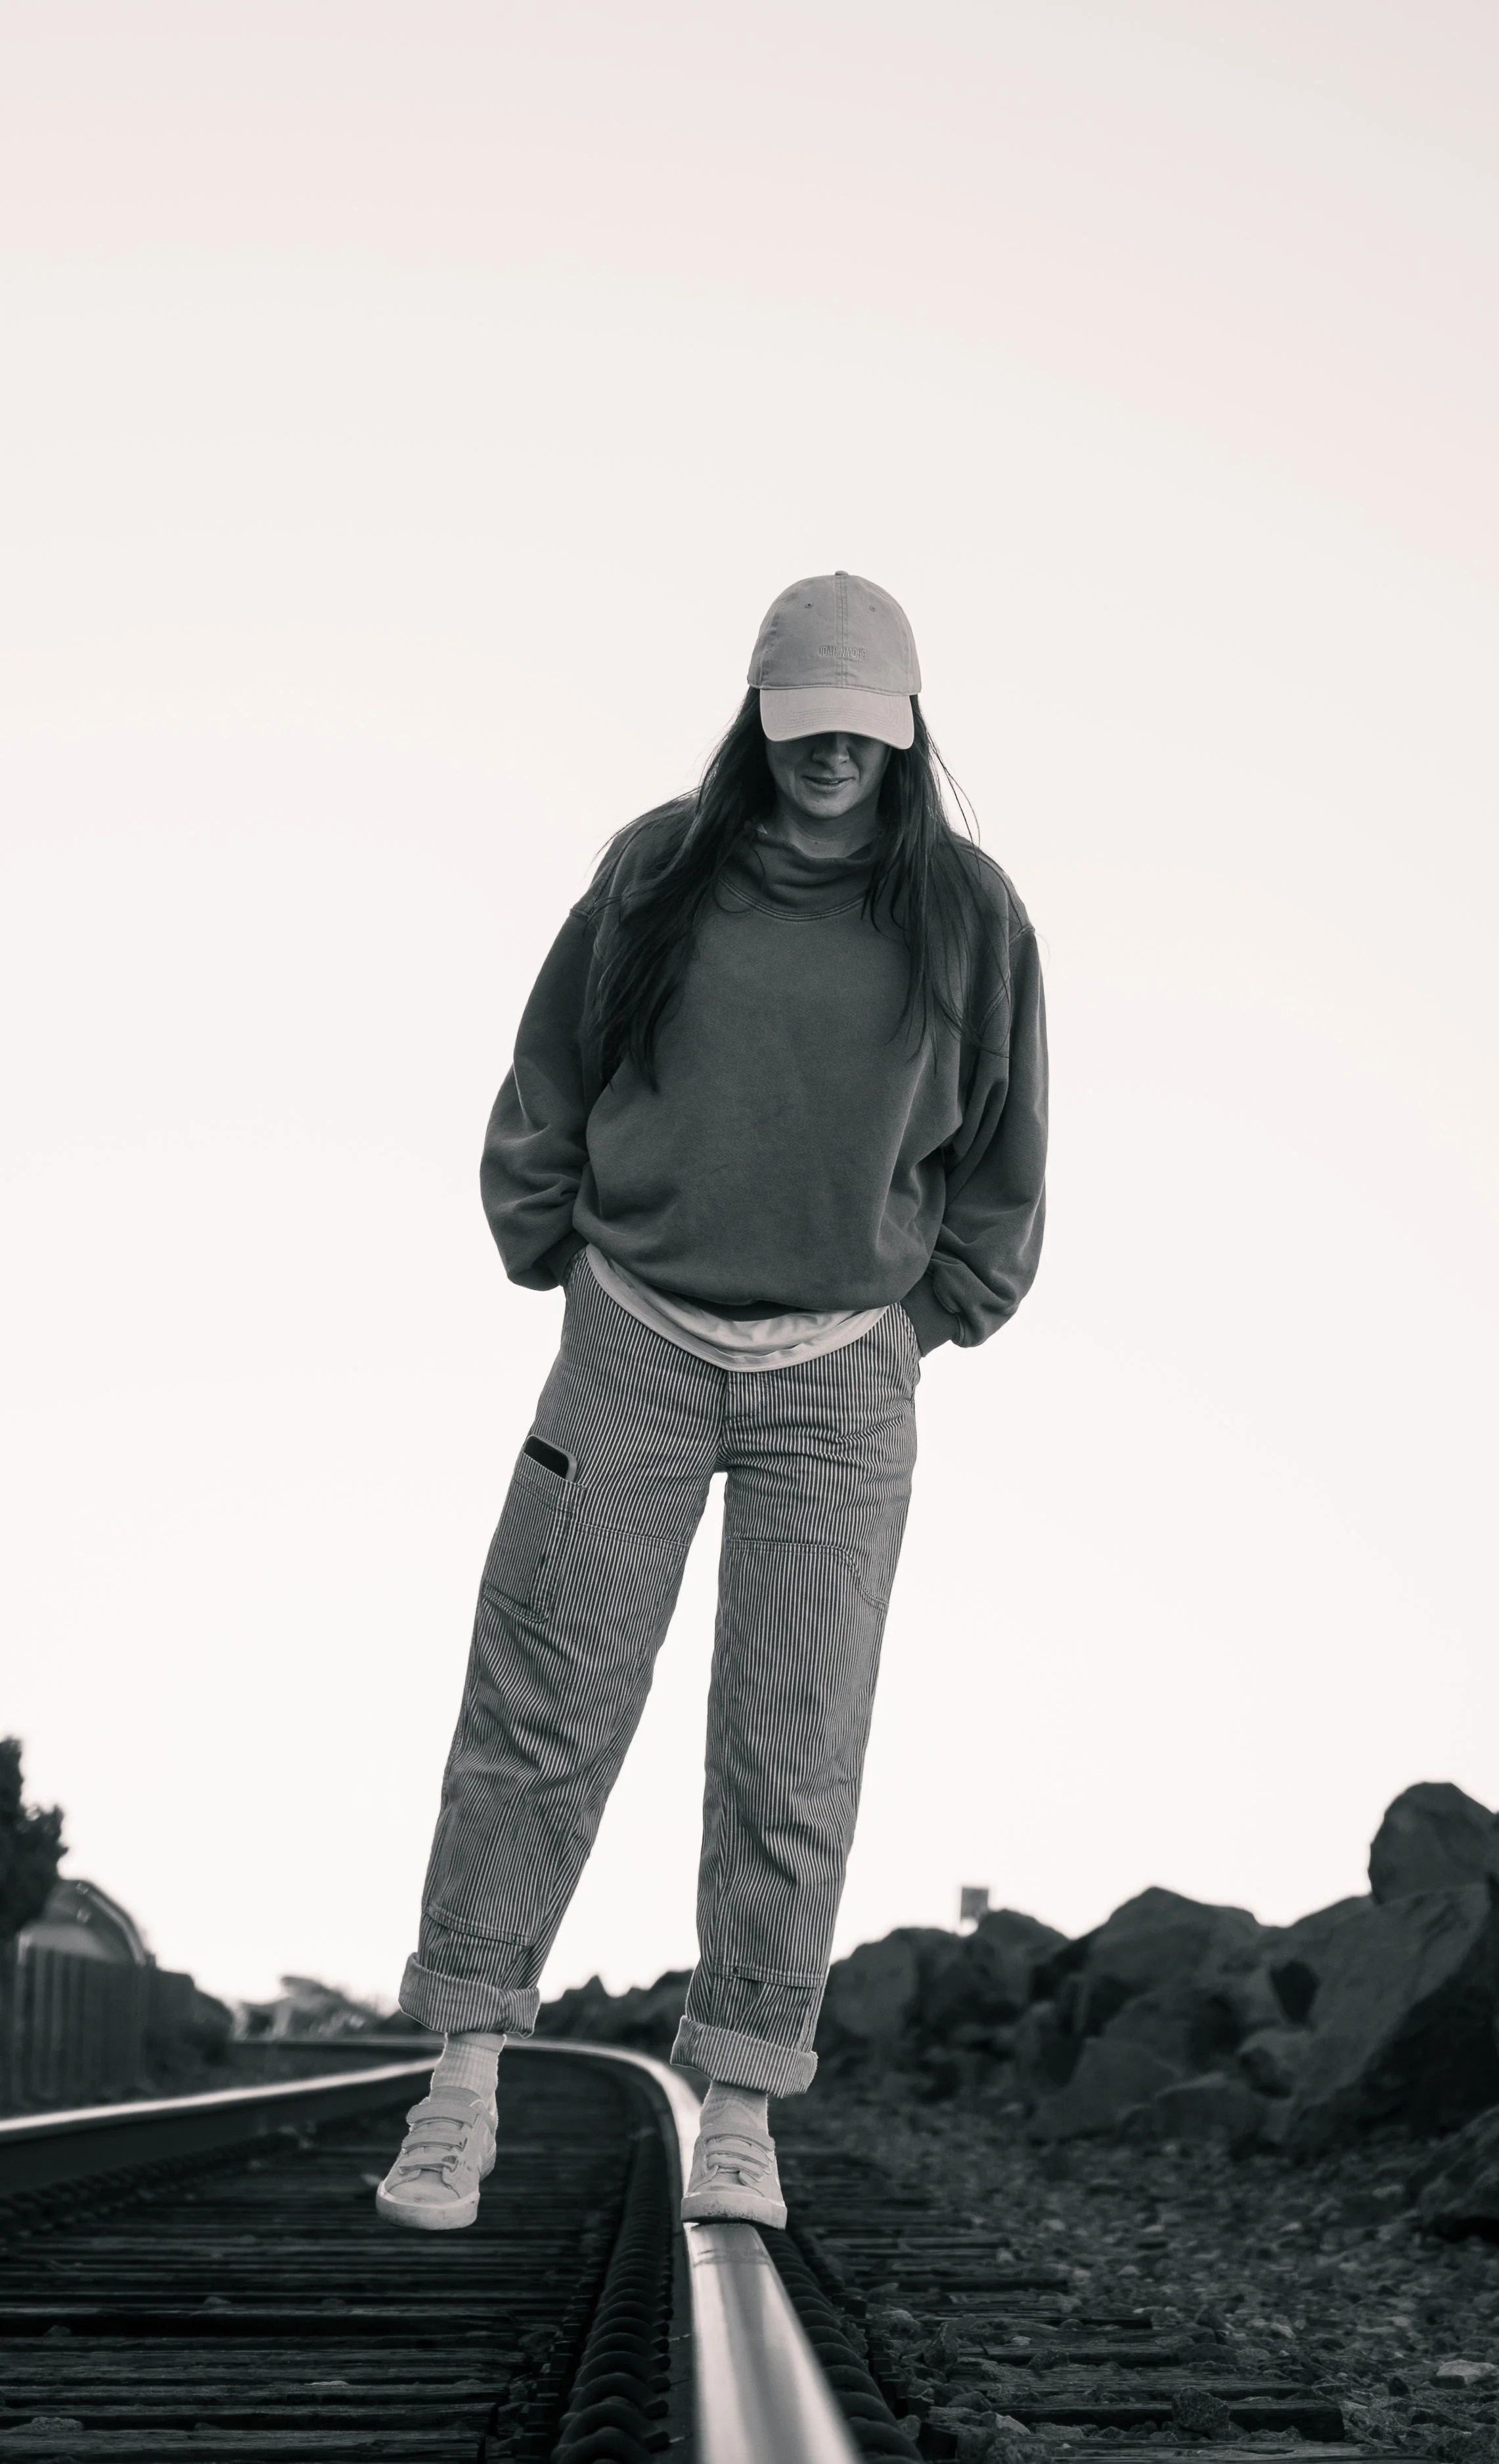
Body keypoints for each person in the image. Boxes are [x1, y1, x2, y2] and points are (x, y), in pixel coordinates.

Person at [375, 572, 1047, 2232]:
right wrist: (549, 1244)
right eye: (805, 725)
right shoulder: (657, 868)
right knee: (540, 1703)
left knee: (793, 1745)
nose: (831, 759)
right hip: (635, 1346)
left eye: (861, 733)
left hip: (838, 1379)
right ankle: (457, 2089)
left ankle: (740, 2102)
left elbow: (1005, 1163)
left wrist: (920, 1323)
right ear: (759, 717)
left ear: (904, 734)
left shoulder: (968, 914)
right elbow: (552, 1065)